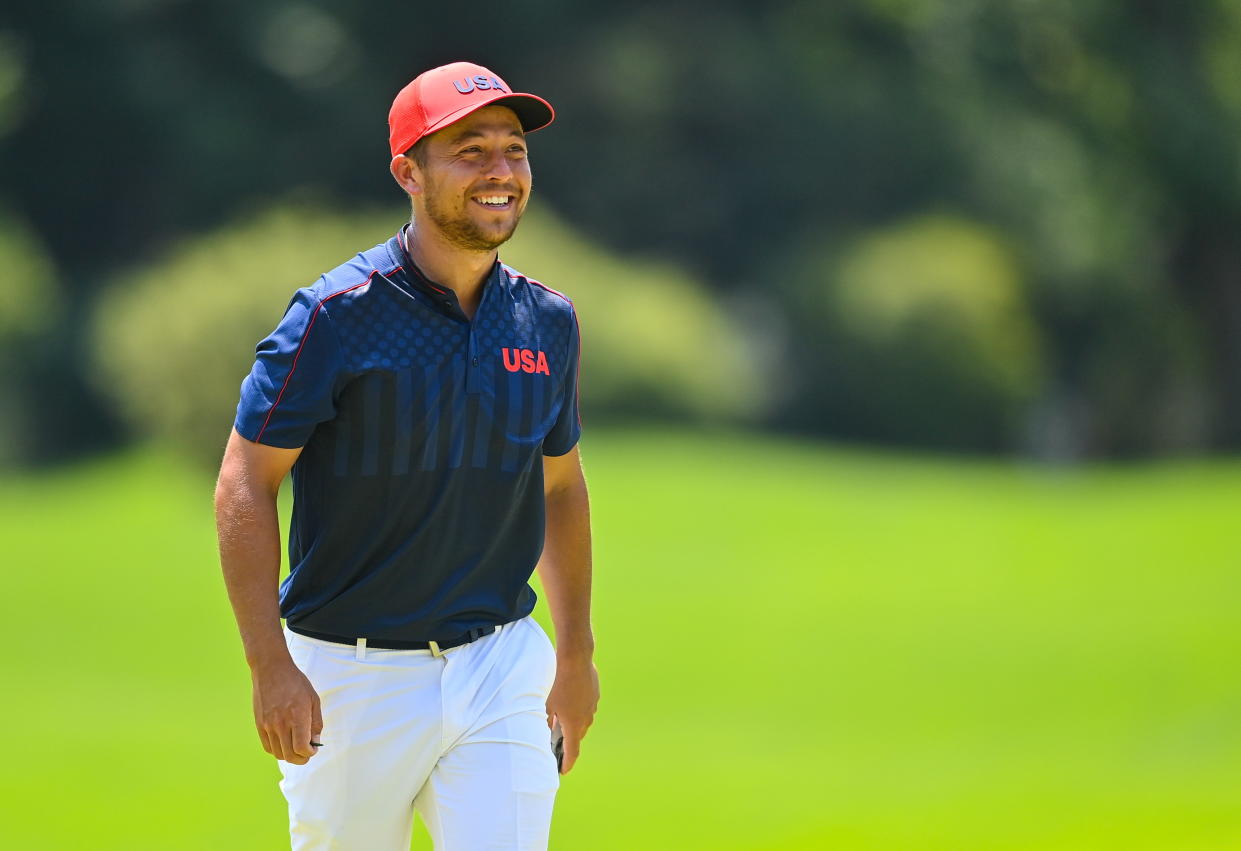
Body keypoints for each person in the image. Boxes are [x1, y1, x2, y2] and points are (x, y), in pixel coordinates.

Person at [213, 60, 598, 850]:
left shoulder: (547, 321)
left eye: (513, 149)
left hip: (499, 666)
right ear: (407, 173)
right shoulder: (333, 316)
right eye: (469, 150)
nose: (500, 171)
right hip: (350, 679)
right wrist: (268, 666)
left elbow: (560, 487)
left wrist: (576, 653)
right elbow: (245, 482)